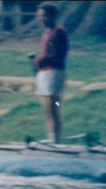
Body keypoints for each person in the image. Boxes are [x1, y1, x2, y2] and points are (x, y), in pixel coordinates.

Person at [31, 2, 68, 143]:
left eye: (44, 16)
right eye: (39, 16)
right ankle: (51, 137)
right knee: (47, 110)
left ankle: (55, 140)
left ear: (52, 16)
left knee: (52, 110)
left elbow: (58, 55)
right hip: (44, 73)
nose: (41, 19)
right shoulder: (46, 32)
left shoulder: (58, 32)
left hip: (54, 73)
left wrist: (39, 59)